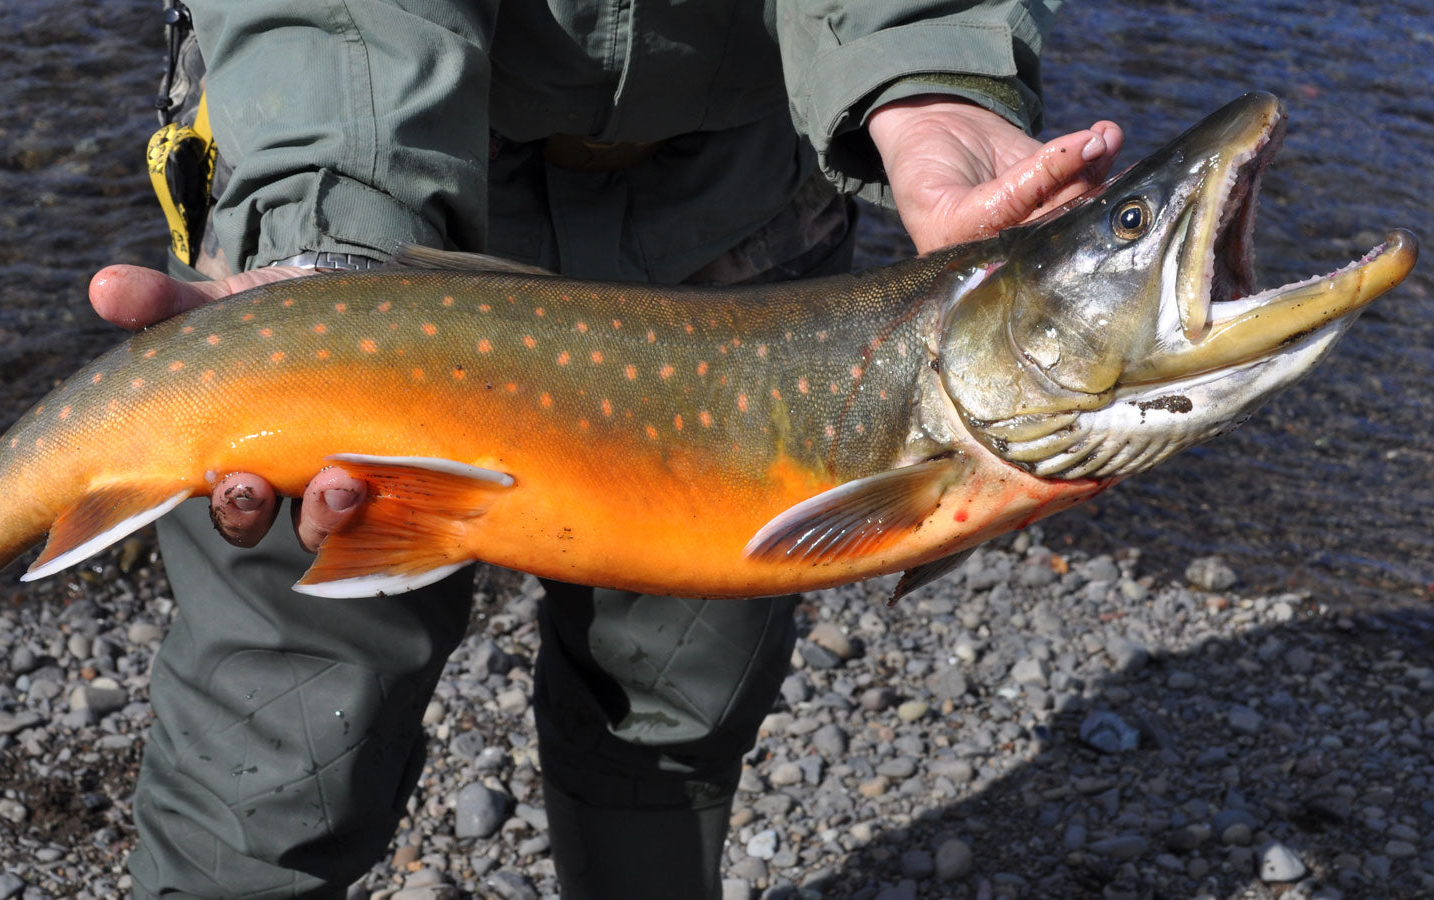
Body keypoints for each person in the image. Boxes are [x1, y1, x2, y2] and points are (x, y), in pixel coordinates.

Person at [91, 1, 1122, 897]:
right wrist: (334, 244)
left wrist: (931, 73)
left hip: (736, 194)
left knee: (674, 705)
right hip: (339, 155)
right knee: (280, 721)